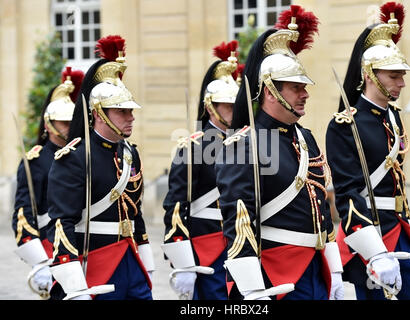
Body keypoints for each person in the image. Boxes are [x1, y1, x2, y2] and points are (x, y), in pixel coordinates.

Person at [215, 5, 344, 300]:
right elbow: (238, 221)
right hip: (273, 275)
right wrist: (252, 288)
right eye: (296, 87)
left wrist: (333, 269)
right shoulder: (243, 145)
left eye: (304, 86)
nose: (305, 94)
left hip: (314, 268)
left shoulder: (306, 138)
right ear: (270, 91)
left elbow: (321, 208)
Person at [325, 2, 410, 300]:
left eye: (402, 75)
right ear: (369, 75)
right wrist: (375, 252)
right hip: (371, 236)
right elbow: (348, 196)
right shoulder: (344, 125)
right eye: (393, 76)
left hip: (400, 229)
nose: (401, 83)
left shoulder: (393, 116)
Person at [46, 35, 155, 300]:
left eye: (130, 111)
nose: (131, 117)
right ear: (98, 113)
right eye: (122, 111)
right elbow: (62, 223)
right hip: (95, 266)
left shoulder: (130, 154)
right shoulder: (73, 157)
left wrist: (147, 262)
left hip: (131, 259)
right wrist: (73, 284)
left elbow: (134, 213)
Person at [162, 40, 242, 300]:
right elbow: (176, 205)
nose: (234, 112)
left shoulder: (246, 141)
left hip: (240, 241)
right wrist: (182, 262)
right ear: (211, 108)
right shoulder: (193, 146)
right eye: (228, 107)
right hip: (207, 244)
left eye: (236, 105)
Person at [12, 66, 84, 299]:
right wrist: (38, 261)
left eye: (70, 122)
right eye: (63, 123)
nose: (68, 127)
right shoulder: (35, 160)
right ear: (49, 124)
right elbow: (23, 214)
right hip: (49, 245)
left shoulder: (80, 155)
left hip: (82, 241)